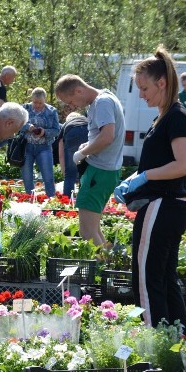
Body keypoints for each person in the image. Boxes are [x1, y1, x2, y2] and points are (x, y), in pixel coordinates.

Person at [112, 47, 186, 328]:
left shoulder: (176, 117)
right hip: (168, 205)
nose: (142, 94)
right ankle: (175, 340)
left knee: (146, 279)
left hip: (163, 205)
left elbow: (185, 164)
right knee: (164, 277)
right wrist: (134, 178)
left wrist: (145, 177)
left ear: (162, 83)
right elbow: (163, 161)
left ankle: (154, 342)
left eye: (144, 88)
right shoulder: (164, 117)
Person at [55, 74, 125, 246]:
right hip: (103, 170)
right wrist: (88, 144)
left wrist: (82, 153)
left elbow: (107, 137)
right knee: (94, 228)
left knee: (86, 230)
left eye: (70, 101)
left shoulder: (102, 103)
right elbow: (105, 135)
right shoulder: (102, 99)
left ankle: (99, 270)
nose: (71, 106)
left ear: (79, 90)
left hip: (99, 171)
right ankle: (106, 265)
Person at [21, 88, 61, 197]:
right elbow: (16, 125)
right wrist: (28, 127)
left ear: (45, 100)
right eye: (35, 102)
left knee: (48, 176)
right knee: (27, 176)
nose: (37, 105)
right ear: (31, 99)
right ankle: (30, 199)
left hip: (44, 147)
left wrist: (44, 132)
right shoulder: (25, 108)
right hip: (26, 147)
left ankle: (51, 200)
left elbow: (57, 130)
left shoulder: (51, 111)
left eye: (40, 103)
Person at [58, 112, 89, 196]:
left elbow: (61, 155)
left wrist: (65, 173)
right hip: (88, 132)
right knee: (86, 173)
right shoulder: (86, 120)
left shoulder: (66, 125)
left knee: (70, 174)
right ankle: (83, 201)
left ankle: (67, 202)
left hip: (72, 134)